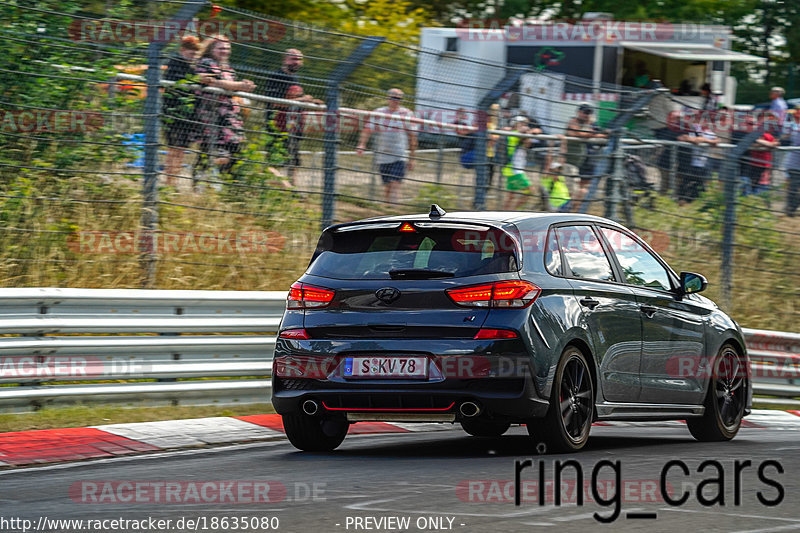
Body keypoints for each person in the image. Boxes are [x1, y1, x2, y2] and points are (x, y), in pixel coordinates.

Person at [194, 35, 255, 184]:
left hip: (230, 116)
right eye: (221, 48)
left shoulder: (228, 69)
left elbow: (226, 85)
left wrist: (244, 85)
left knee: (234, 151)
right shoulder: (206, 63)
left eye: (227, 48)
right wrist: (239, 86)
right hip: (212, 114)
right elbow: (207, 80)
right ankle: (201, 178)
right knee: (214, 150)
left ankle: (223, 184)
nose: (225, 51)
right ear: (211, 49)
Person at [263, 49, 323, 188]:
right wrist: (303, 100)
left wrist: (312, 102)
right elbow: (274, 102)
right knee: (273, 162)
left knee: (293, 162)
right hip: (277, 126)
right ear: (285, 60)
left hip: (294, 126)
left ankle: (292, 189)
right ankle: (283, 188)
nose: (297, 62)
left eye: (299, 59)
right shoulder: (276, 76)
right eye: (293, 59)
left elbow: (295, 101)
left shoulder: (296, 78)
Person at [356, 88, 418, 205]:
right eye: (393, 98)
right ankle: (387, 208)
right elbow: (367, 129)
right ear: (388, 98)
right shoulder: (379, 112)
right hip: (382, 155)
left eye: (398, 98)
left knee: (395, 183)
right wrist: (361, 144)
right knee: (387, 185)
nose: (395, 100)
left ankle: (395, 209)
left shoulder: (407, 113)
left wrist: (412, 158)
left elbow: (413, 137)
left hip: (399, 154)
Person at [162, 35, 200, 187]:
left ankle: (173, 181)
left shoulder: (191, 66)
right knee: (173, 148)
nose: (193, 57)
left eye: (195, 55)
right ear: (183, 50)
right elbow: (177, 83)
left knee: (181, 149)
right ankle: (169, 182)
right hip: (172, 112)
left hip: (186, 114)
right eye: (191, 54)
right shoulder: (175, 63)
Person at [563, 104, 607, 211]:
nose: (586, 115)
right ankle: (563, 211)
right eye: (585, 113)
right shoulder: (573, 122)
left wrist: (599, 133)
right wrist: (592, 132)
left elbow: (600, 135)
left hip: (583, 163)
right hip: (570, 163)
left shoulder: (590, 125)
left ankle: (575, 214)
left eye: (589, 113)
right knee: (573, 192)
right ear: (579, 112)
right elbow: (579, 133)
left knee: (582, 192)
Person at [732, 113, 780, 196]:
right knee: (748, 185)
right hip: (752, 165)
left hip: (764, 165)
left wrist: (767, 144)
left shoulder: (770, 132)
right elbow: (755, 142)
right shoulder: (743, 132)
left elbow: (776, 142)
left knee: (759, 186)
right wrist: (768, 144)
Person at [500, 116, 541, 210]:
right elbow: (524, 132)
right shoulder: (514, 134)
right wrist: (531, 131)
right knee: (530, 191)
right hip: (514, 169)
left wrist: (534, 131)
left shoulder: (518, 134)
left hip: (514, 169)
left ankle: (506, 212)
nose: (524, 125)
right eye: (522, 123)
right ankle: (514, 211)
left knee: (511, 196)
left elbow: (529, 142)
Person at [676, 113, 718, 204]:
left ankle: (694, 203)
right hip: (689, 164)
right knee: (684, 185)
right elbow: (684, 138)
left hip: (703, 165)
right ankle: (681, 202)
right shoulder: (690, 130)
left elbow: (716, 141)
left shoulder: (709, 133)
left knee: (700, 187)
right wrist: (699, 140)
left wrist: (704, 140)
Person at [783, 108, 800, 217]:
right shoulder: (793, 126)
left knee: (793, 189)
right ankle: (790, 209)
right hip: (794, 164)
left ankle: (791, 208)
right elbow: (786, 138)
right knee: (792, 189)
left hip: (794, 163)